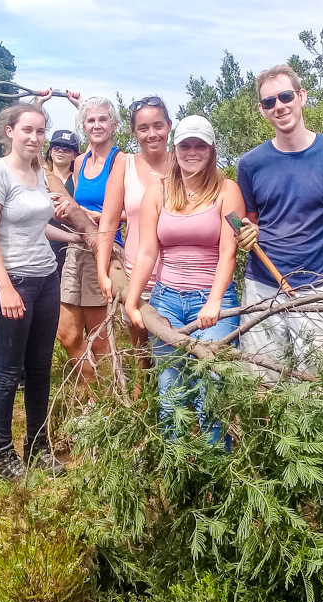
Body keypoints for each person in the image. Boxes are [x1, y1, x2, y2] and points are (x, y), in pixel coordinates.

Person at [0, 103, 86, 482]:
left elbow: (38, 227)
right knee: (8, 371)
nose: (35, 138)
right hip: (13, 284)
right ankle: (2, 453)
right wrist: (4, 286)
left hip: (45, 280)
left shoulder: (39, 173)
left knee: (39, 369)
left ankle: (37, 446)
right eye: (27, 130)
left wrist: (74, 236)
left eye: (40, 131)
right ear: (10, 130)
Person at [125, 115, 243, 445]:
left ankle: (217, 477)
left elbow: (228, 254)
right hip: (166, 301)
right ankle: (178, 476)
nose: (193, 152)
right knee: (170, 394)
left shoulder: (227, 191)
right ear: (175, 149)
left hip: (212, 300)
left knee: (211, 393)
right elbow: (147, 251)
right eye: (186, 145)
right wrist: (132, 301)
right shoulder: (157, 193)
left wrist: (215, 300)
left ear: (211, 149)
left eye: (200, 145)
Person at [235, 64, 323, 380]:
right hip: (261, 287)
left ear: (301, 96)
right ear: (262, 111)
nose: (279, 106)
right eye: (269, 102)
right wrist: (249, 234)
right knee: (262, 383)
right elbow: (252, 221)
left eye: (285, 96)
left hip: (316, 288)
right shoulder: (250, 164)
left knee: (319, 388)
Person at [57, 96, 125, 387]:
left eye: (102, 119)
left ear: (114, 124)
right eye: (90, 120)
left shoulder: (121, 160)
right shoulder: (79, 161)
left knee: (99, 337)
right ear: (83, 126)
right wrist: (67, 212)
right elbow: (74, 204)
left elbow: (133, 209)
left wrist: (101, 216)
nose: (97, 125)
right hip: (76, 247)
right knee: (68, 334)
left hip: (106, 248)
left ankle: (108, 405)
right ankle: (94, 393)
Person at [98, 95, 171, 351]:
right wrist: (102, 271)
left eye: (158, 126)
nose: (152, 134)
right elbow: (108, 221)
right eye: (143, 128)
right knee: (142, 357)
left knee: (175, 356)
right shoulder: (124, 164)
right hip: (136, 278)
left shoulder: (185, 164)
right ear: (134, 132)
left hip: (175, 282)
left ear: (169, 126)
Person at [42, 128, 81, 274]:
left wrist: (81, 109)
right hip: (43, 243)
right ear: (50, 151)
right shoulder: (40, 176)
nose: (60, 151)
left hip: (71, 244)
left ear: (74, 155)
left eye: (67, 149)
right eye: (56, 147)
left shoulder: (77, 178)